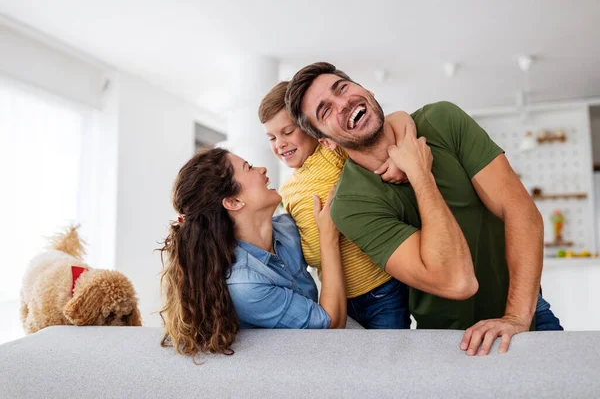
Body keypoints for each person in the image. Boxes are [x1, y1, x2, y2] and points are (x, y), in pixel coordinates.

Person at [285, 62, 563, 356]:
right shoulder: (350, 204)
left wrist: (517, 316)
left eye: (342, 88)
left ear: (365, 90)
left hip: (525, 310)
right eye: (325, 110)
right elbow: (457, 282)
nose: (343, 103)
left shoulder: (442, 120)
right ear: (326, 142)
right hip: (450, 342)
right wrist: (419, 174)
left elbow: (520, 211)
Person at [159, 148, 346, 358]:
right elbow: (331, 324)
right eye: (248, 168)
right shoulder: (245, 285)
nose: (262, 169)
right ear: (233, 202)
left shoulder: (288, 228)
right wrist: (328, 238)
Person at [259, 81, 411, 329]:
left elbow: (397, 119)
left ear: (310, 127)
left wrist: (399, 157)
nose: (280, 144)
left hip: (382, 289)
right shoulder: (285, 191)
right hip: (339, 297)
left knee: (389, 358)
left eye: (287, 132)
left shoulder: (333, 152)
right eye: (272, 137)